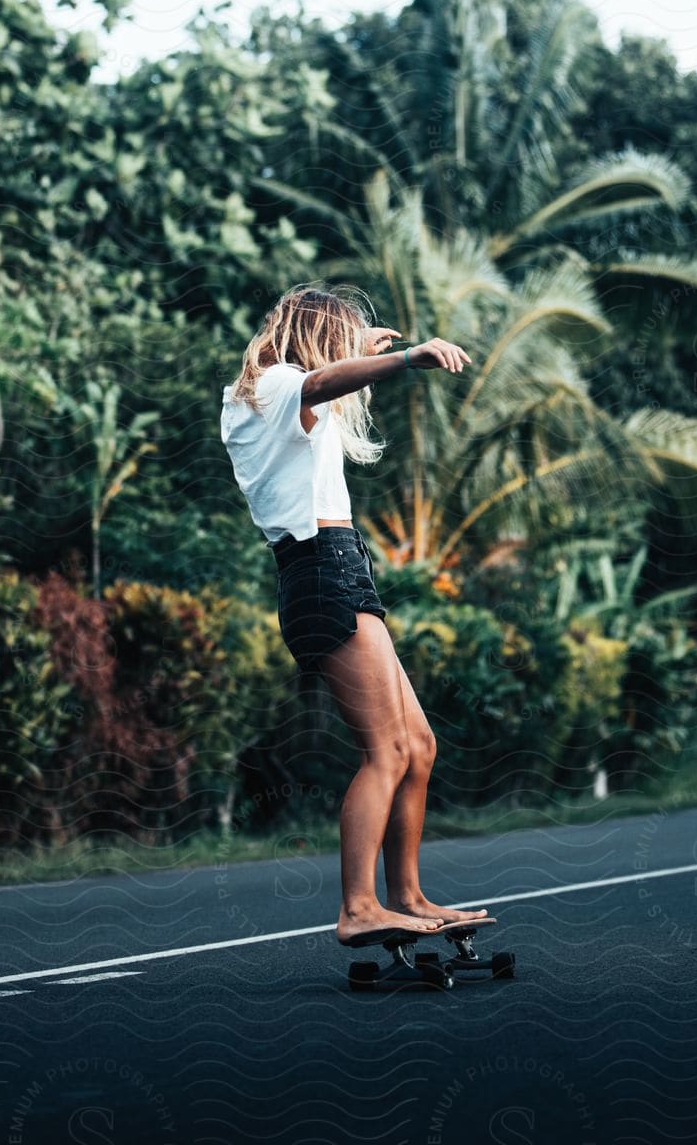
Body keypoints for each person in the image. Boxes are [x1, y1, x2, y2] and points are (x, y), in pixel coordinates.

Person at [220, 283, 490, 946]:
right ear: (317, 338)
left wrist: (358, 350)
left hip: (339, 568)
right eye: (340, 337)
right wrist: (407, 359)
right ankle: (359, 908)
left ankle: (409, 894)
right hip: (320, 570)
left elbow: (327, 381)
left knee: (418, 745)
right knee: (386, 750)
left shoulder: (278, 394)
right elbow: (319, 384)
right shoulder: (276, 386)